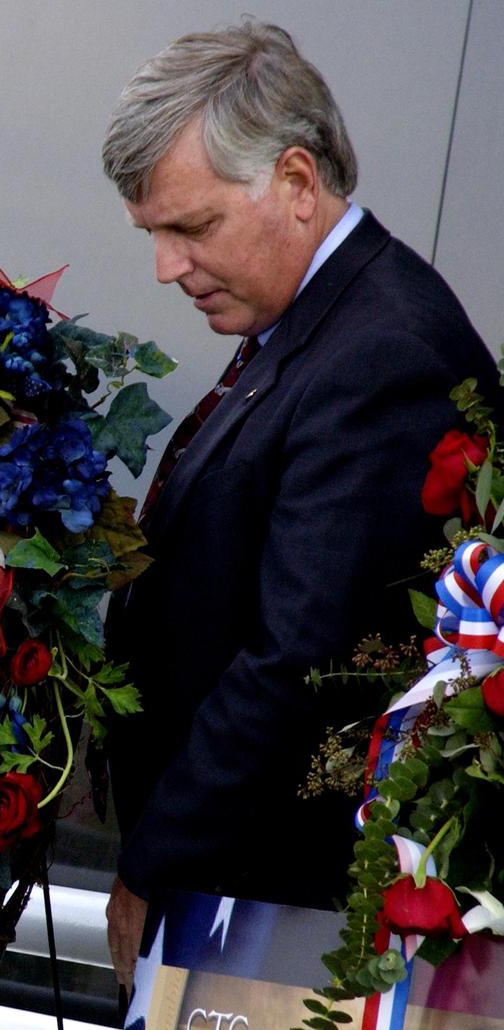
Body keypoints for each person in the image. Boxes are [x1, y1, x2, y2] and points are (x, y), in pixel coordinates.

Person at [98, 22, 499, 991]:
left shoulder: (378, 353)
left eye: (189, 228)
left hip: (282, 930)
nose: (164, 267)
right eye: (152, 233)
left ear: (292, 180)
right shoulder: (313, 331)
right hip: (243, 912)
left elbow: (296, 663)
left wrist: (152, 860)